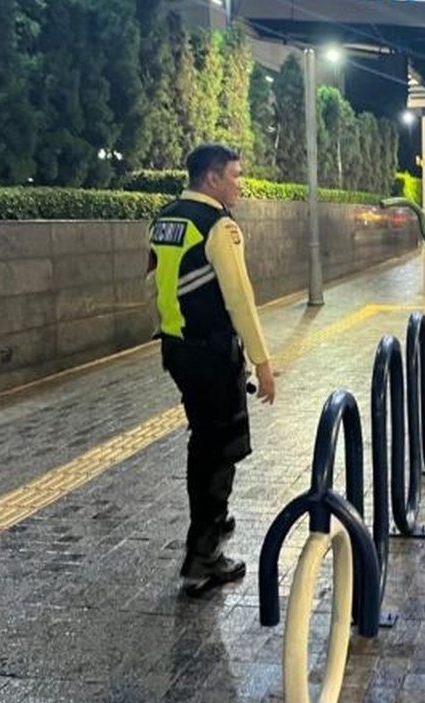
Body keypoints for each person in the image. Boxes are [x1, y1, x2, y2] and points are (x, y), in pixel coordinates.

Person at [147, 144, 276, 595]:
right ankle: (202, 558)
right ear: (212, 178)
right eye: (235, 176)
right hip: (212, 353)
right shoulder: (219, 226)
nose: (240, 183)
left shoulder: (167, 218)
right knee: (217, 450)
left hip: (177, 348)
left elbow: (153, 279)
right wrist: (263, 360)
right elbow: (239, 298)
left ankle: (215, 522)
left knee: (204, 437)